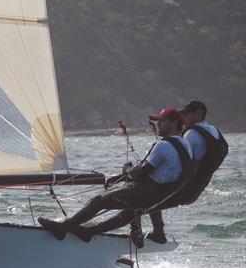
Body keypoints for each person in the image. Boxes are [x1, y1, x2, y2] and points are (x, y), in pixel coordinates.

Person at [38, 107, 195, 243]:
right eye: (158, 121)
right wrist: (123, 177)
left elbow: (139, 175)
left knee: (98, 201)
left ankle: (63, 228)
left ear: (174, 123)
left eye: (163, 121)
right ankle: (89, 232)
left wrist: (127, 170)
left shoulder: (163, 146)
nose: (158, 124)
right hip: (163, 196)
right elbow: (162, 172)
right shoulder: (185, 144)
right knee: (129, 212)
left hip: (149, 194)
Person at [146, 101, 228, 243]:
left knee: (145, 195)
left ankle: (157, 234)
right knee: (148, 198)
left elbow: (178, 157)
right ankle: (157, 232)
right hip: (198, 188)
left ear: (199, 113)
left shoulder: (192, 133)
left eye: (186, 114)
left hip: (184, 187)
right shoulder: (214, 131)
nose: (183, 118)